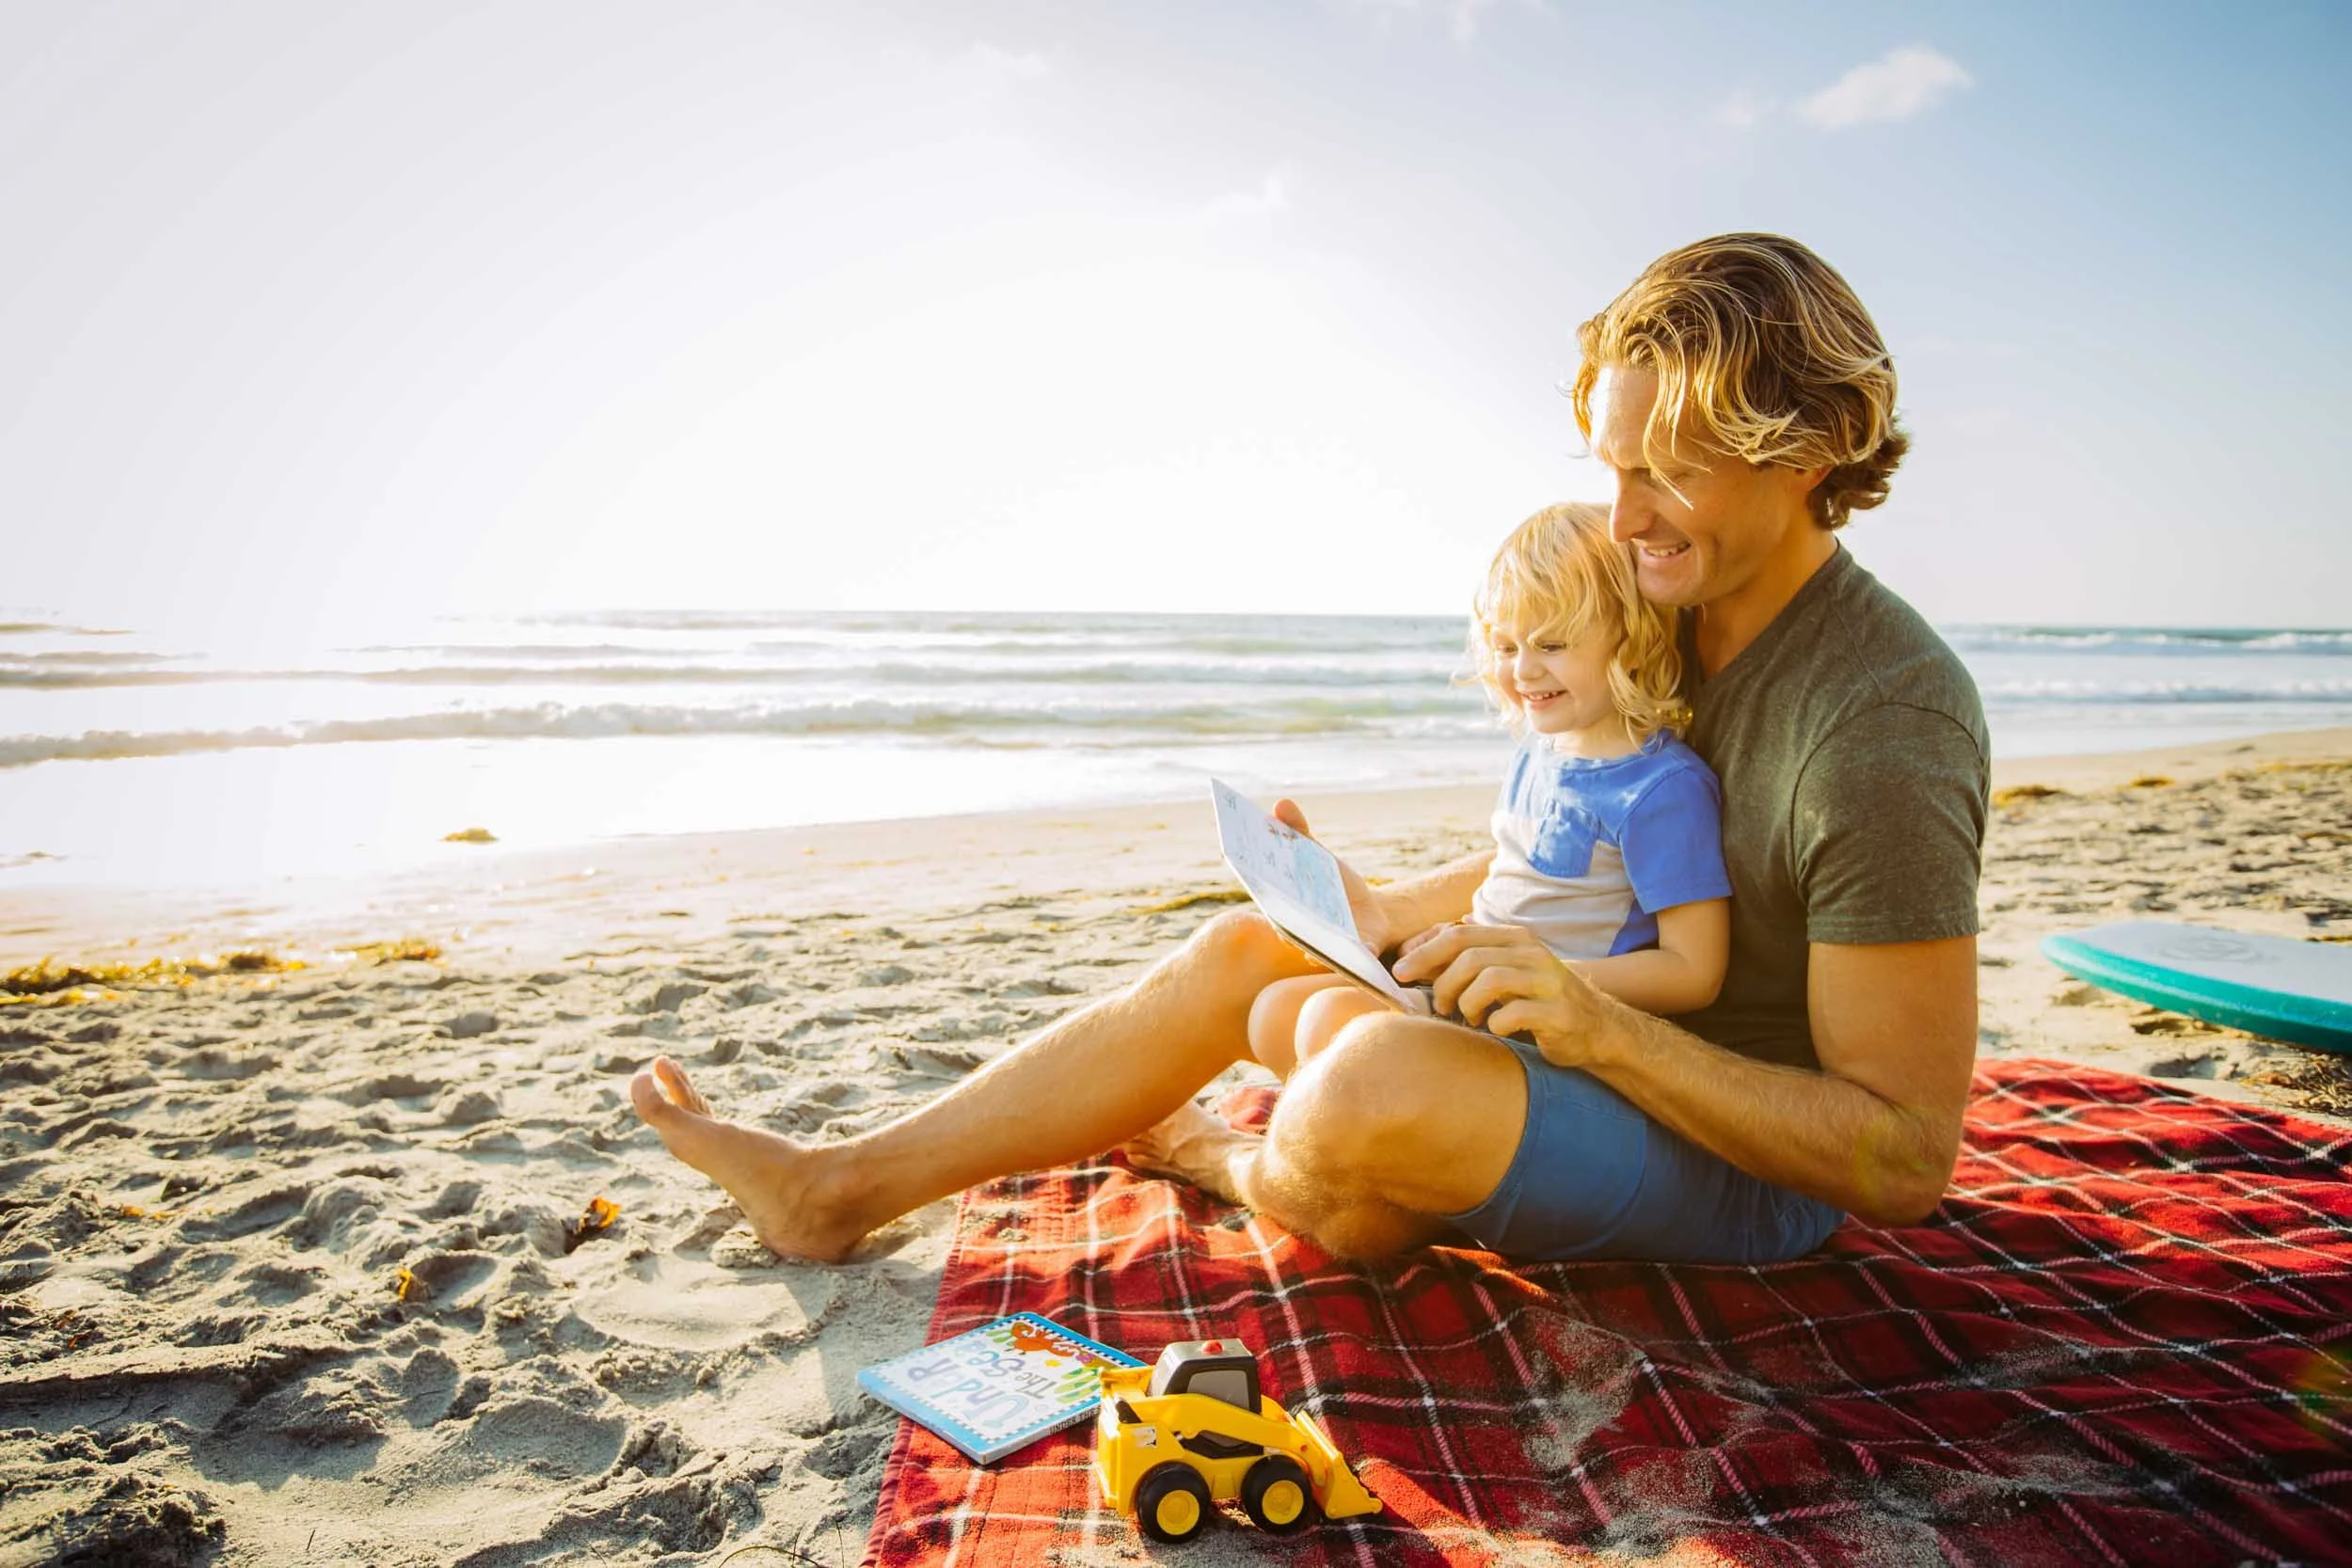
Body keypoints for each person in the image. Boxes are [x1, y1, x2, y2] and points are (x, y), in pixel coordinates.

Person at [630, 231, 1988, 1267]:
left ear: (1808, 448)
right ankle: (838, 1185)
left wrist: (1589, 1019)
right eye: (1610, 462)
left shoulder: (1883, 725)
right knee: (1253, 953)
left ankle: (1239, 1158)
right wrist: (1384, 907)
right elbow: (1589, 829)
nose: (1622, 516)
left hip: (1737, 1158)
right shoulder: (1665, 609)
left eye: (1668, 468)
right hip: (1594, 1055)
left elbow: (1897, 1151)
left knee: (1362, 1084)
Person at [1248, 500, 1731, 1090]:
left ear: (1632, 640)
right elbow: (1518, 891)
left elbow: (1694, 973)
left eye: (1551, 644)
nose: (1523, 671)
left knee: (1330, 1018)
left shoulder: (1662, 789)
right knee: (1275, 1010)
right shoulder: (1539, 750)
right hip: (1471, 994)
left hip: (1550, 1028)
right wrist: (1441, 934)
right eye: (1506, 647)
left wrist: (1541, 974)